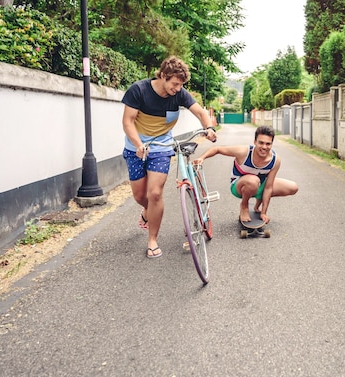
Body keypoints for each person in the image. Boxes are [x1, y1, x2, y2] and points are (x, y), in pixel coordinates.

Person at [122, 56, 217, 259]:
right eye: (175, 83)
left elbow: (200, 112)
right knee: (141, 197)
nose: (177, 88)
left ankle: (152, 240)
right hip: (136, 147)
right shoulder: (138, 90)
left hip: (162, 147)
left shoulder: (180, 94)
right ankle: (148, 211)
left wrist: (208, 127)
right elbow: (128, 122)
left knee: (155, 193)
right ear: (163, 76)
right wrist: (138, 145)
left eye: (181, 84)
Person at [194, 126, 298, 224]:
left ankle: (258, 203)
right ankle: (244, 205)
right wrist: (202, 158)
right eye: (261, 143)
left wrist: (263, 212)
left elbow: (268, 187)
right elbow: (217, 149)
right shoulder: (244, 152)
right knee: (253, 181)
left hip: (259, 185)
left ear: (272, 144)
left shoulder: (275, 160)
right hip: (239, 186)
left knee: (293, 187)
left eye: (268, 144)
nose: (264, 147)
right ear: (254, 142)